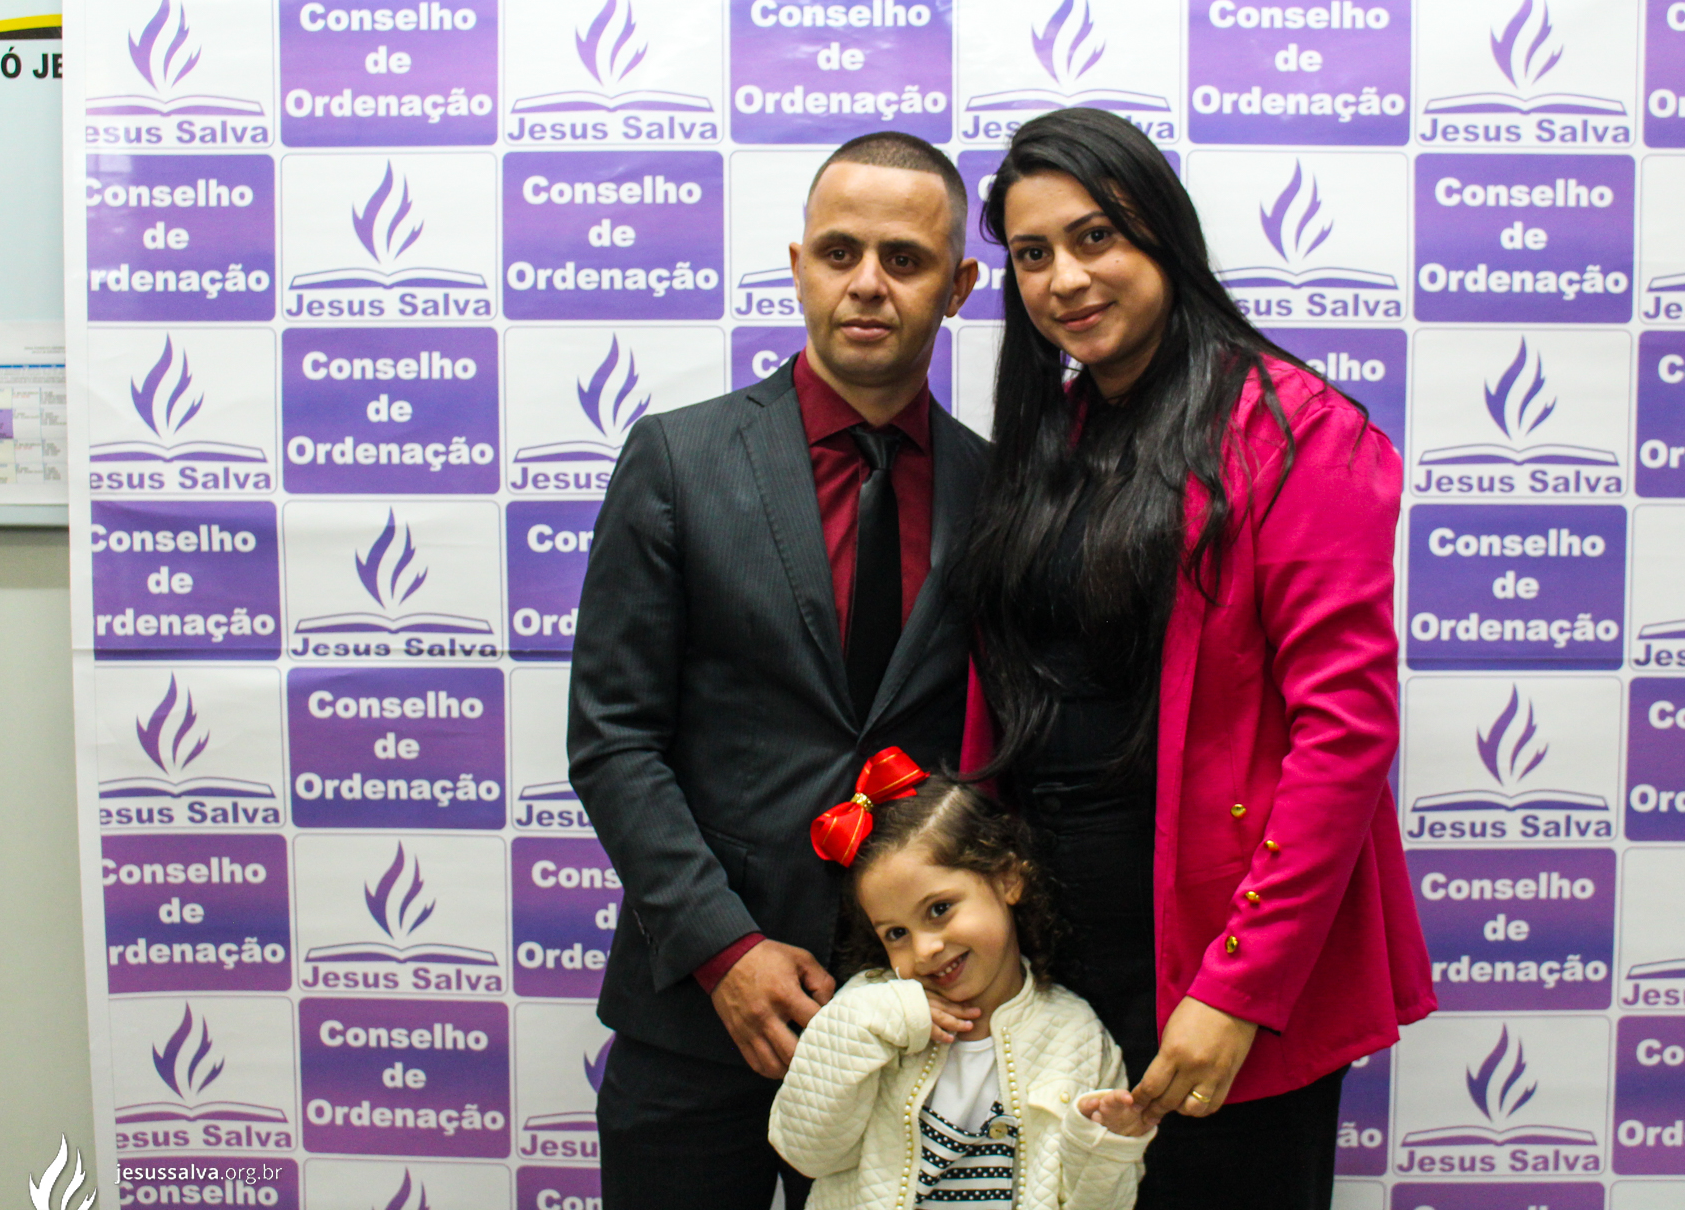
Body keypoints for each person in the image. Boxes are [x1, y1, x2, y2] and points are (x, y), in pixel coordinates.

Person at [956, 107, 1435, 1209]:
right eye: (1032, 254)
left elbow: (1345, 733)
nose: (1066, 278)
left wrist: (1239, 990)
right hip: (1054, 951)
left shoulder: (1298, 430)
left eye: (1095, 237)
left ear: (1163, 236)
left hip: (1213, 955)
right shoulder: (1052, 440)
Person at [568, 131, 987, 1210]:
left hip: (917, 1020)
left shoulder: (1001, 492)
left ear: (959, 289)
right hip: (696, 1015)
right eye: (840, 252)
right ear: (798, 266)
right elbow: (612, 737)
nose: (867, 283)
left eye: (905, 259)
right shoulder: (679, 458)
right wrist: (724, 949)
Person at [770, 765, 1155, 1209]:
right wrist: (866, 1025)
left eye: (939, 909)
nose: (925, 949)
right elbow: (805, 1153)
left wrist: (1106, 1148)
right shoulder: (866, 1010)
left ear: (1007, 878)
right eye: (896, 933)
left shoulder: (1076, 1036)